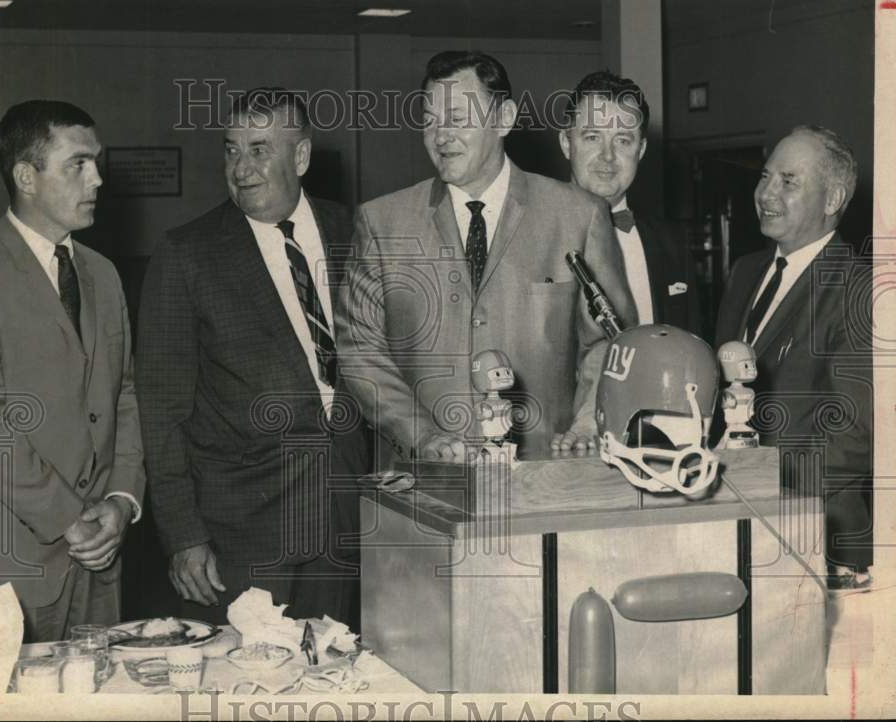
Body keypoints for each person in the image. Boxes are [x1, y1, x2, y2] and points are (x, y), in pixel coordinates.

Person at [335, 51, 636, 464]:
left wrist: (587, 422)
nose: (441, 135)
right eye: (429, 119)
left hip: (543, 479)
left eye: (457, 118)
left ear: (504, 118)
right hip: (423, 486)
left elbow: (610, 341)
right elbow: (360, 351)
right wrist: (422, 437)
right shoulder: (382, 222)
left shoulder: (577, 216)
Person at [136, 88, 365, 628]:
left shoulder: (356, 232)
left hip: (349, 513)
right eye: (232, 150)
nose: (242, 168)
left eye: (260, 149)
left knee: (339, 681)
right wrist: (184, 535)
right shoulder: (187, 253)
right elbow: (161, 409)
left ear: (301, 157)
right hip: (242, 529)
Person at [0, 100, 146, 641]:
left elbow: (124, 396)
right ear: (26, 176)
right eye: (78, 164)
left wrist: (121, 501)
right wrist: (70, 518)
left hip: (99, 559)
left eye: (96, 162)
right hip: (10, 565)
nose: (97, 178)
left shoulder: (104, 273)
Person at [714, 125, 873, 590]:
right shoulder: (746, 271)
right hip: (731, 520)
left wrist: (755, 482)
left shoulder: (859, 290)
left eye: (789, 181)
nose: (766, 193)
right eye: (765, 177)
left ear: (832, 199)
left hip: (819, 537)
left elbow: (856, 435)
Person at [560, 70, 702, 336]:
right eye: (592, 137)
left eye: (623, 140)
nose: (608, 156)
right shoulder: (529, 235)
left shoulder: (672, 243)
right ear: (566, 144)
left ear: (642, 150)